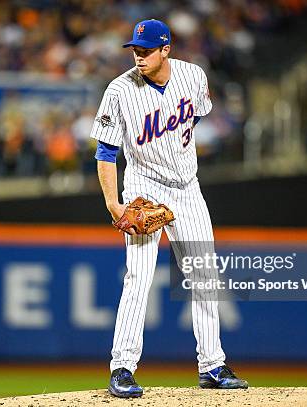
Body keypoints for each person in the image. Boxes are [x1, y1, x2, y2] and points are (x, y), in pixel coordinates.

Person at [89, 19, 249, 398]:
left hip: (188, 188)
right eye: (135, 50)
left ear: (166, 49)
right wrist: (114, 203)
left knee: (205, 275)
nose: (139, 56)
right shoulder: (119, 90)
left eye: (146, 50)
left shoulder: (193, 76)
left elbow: (195, 116)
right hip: (145, 190)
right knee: (139, 277)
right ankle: (122, 367)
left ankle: (212, 365)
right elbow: (106, 151)